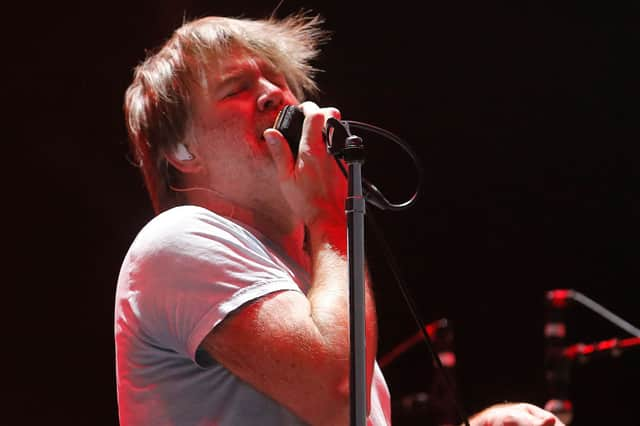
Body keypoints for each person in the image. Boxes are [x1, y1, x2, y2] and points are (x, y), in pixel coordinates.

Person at [115, 12, 565, 426]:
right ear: (180, 151)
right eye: (236, 89)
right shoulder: (179, 239)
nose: (274, 93)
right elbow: (338, 393)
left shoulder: (310, 283)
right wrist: (328, 215)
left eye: (276, 80)